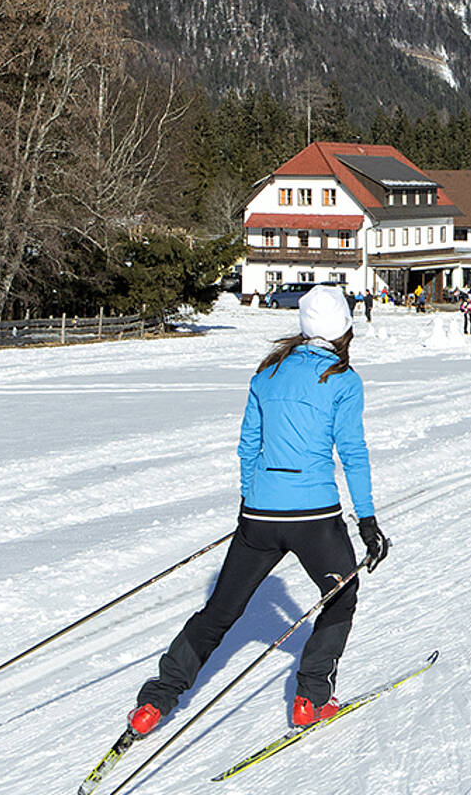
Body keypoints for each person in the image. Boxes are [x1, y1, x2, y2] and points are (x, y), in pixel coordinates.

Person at [125, 285, 389, 738]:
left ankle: (155, 701)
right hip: (314, 518)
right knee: (340, 595)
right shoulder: (343, 379)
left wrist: (252, 502)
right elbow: (353, 453)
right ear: (344, 329)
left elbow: (248, 446)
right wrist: (367, 521)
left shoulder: (267, 373)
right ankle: (311, 698)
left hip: (260, 516)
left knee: (219, 613)